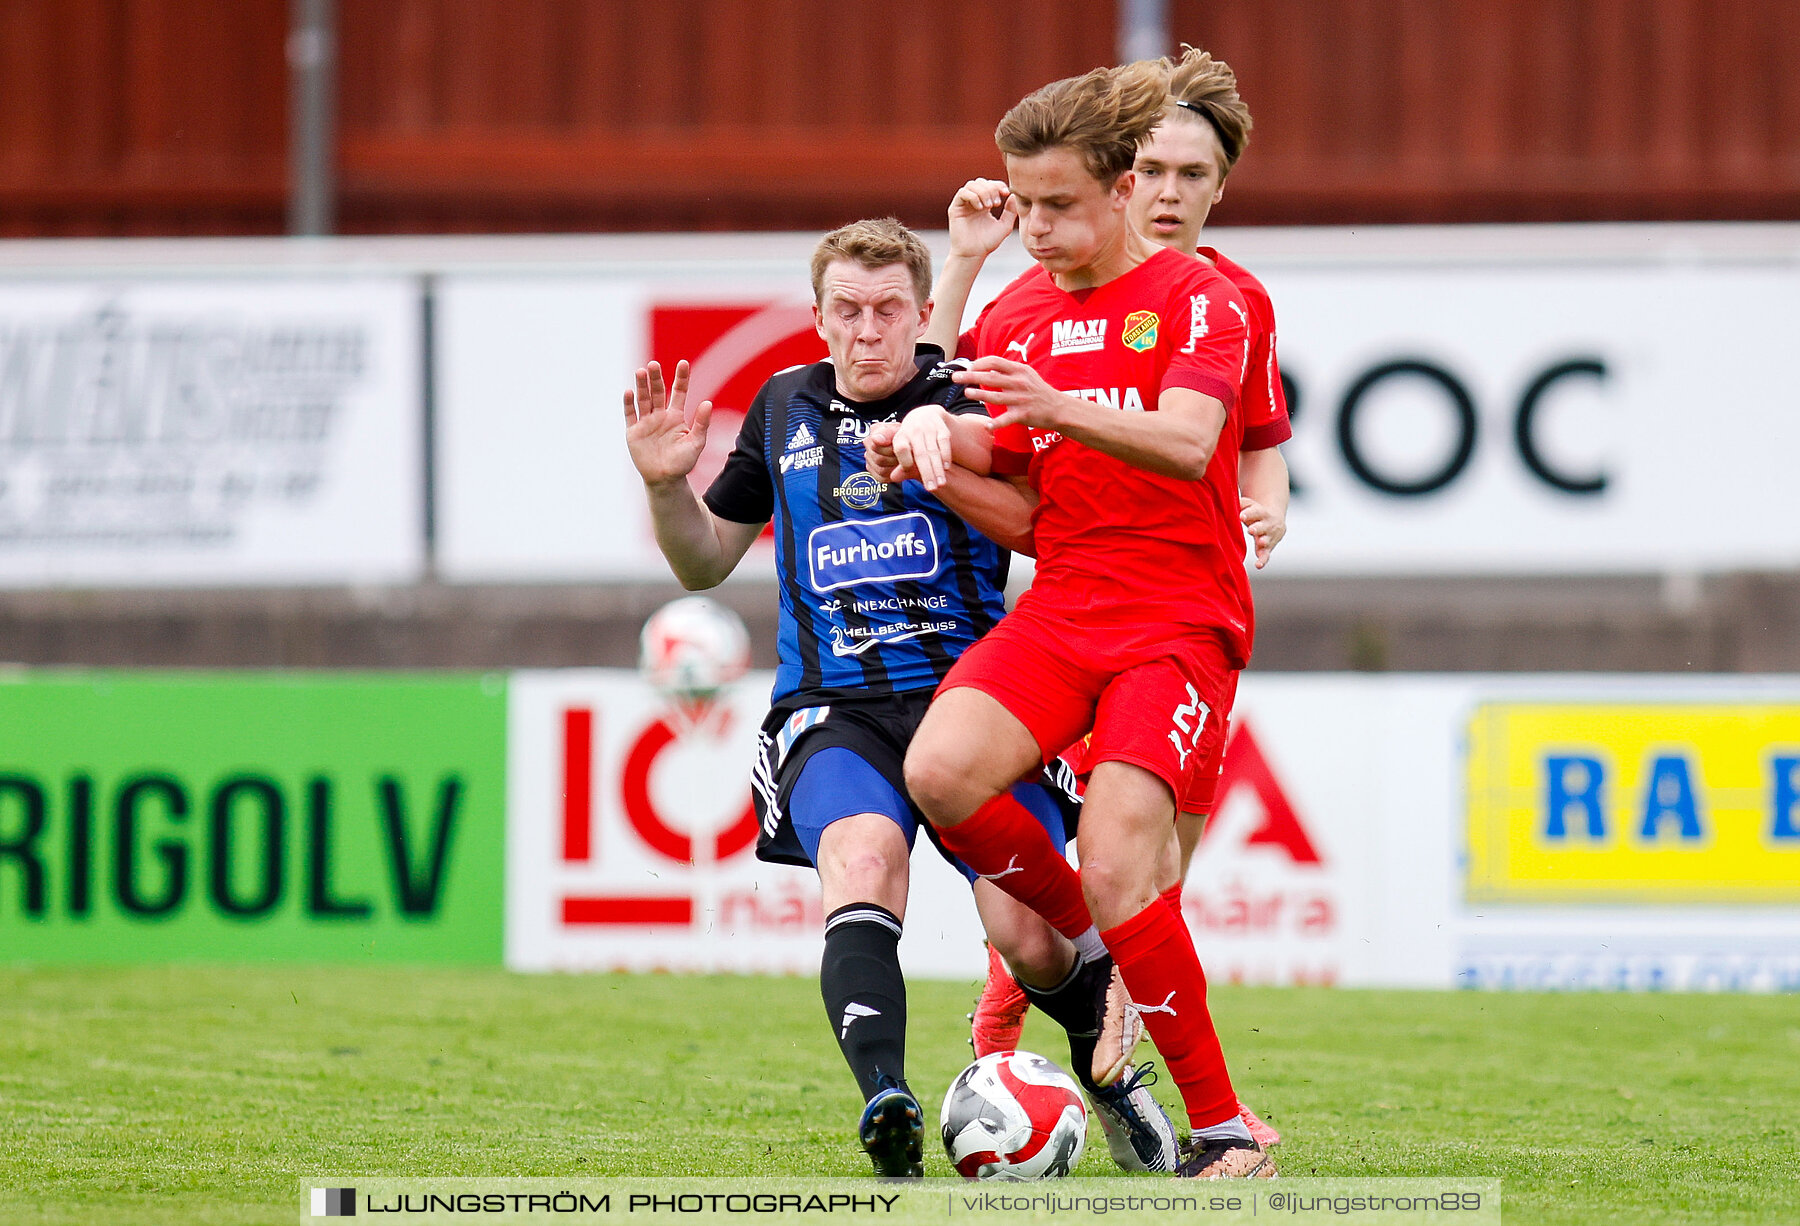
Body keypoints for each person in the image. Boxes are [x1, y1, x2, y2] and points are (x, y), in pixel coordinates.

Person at [622, 217, 1175, 1177]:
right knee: (863, 860)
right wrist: (670, 489)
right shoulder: (781, 405)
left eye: (888, 311)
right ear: (819, 317)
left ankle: (1113, 1080)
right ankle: (888, 1101)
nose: (868, 330)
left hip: (978, 702)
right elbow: (704, 563)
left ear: (923, 315)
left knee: (1030, 930)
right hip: (834, 710)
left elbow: (1049, 522)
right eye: (848, 310)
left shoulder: (965, 397)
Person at [867, 65, 1275, 1179]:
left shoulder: (1203, 298)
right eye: (1022, 202)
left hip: (1176, 619)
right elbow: (1017, 472)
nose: (1034, 227)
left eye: (1057, 206)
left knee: (1118, 857)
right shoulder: (1016, 311)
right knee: (942, 770)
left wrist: (1053, 409)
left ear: (1119, 184)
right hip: (1065, 603)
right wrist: (930, 452)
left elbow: (1194, 442)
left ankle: (1228, 1130)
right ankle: (1096, 960)